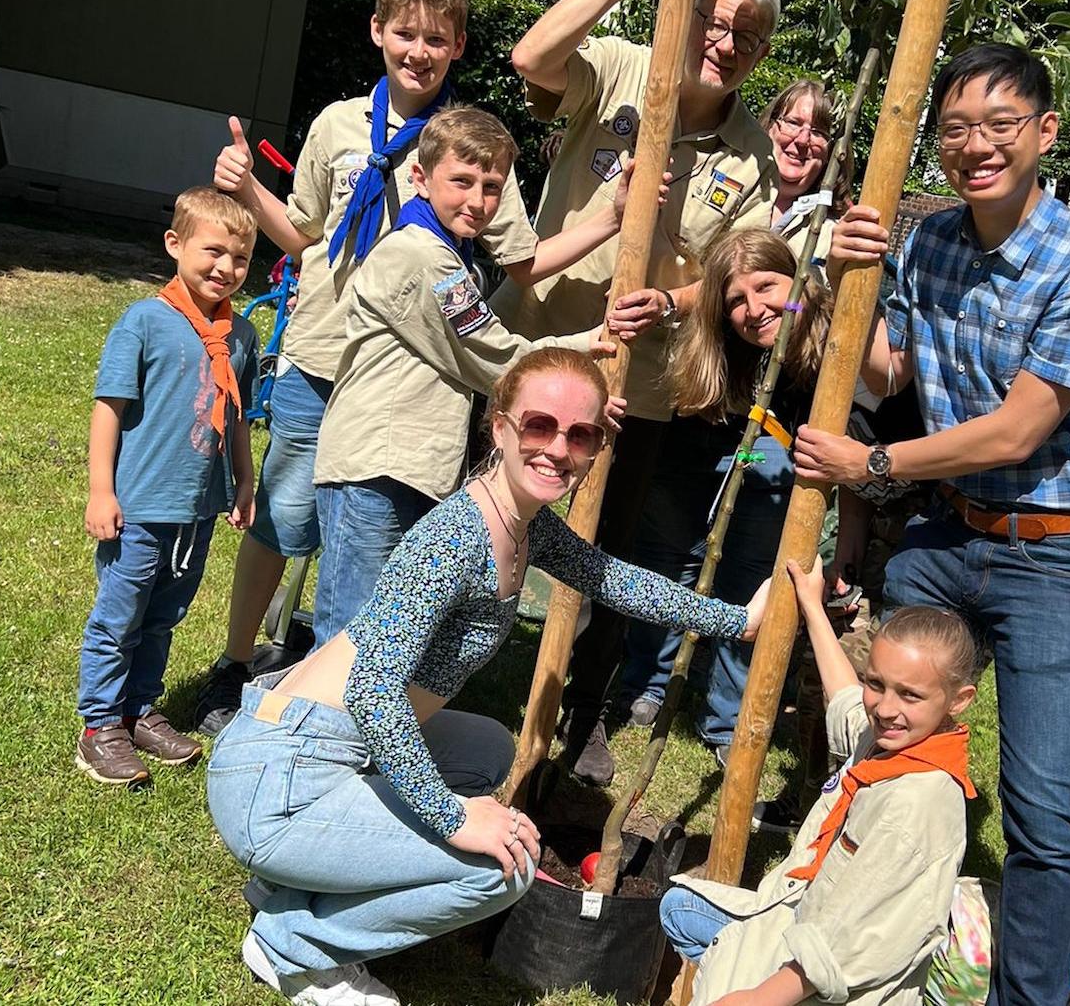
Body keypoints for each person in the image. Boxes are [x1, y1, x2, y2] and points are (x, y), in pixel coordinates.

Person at [207, 349, 770, 1006]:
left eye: (579, 434)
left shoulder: (522, 526)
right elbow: (372, 691)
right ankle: (293, 943)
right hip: (280, 782)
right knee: (503, 868)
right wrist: (451, 819)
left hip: (321, 748)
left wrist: (736, 619)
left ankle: (306, 881)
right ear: (499, 428)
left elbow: (615, 579)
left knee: (487, 753)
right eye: (540, 425)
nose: (558, 448)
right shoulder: (454, 542)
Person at [196, 0, 637, 735]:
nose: (419, 51)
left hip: (411, 373)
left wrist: (606, 220)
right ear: (378, 31)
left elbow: (522, 259)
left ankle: (339, 678)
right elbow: (302, 236)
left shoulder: (465, 150)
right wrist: (245, 189)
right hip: (322, 351)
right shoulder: (337, 124)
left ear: (459, 46)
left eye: (438, 39)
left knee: (367, 526)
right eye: (406, 34)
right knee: (286, 517)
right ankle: (239, 662)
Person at [791, 43, 1070, 1006]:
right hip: (951, 539)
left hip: (1058, 555)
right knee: (885, 739)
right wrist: (841, 284)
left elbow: (1023, 426)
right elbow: (884, 375)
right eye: (956, 130)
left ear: (1045, 134)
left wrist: (877, 466)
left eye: (999, 126)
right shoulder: (931, 241)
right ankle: (847, 934)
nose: (975, 146)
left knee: (1042, 814)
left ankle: (1026, 998)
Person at [495, 0, 780, 783]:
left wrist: (670, 296)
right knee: (486, 522)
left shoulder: (754, 156)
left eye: (747, 36)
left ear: (761, 55)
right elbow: (531, 58)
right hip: (539, 355)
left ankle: (583, 717)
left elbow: (741, 277)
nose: (725, 42)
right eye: (715, 19)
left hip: (641, 386)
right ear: (691, 14)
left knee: (605, 557)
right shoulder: (622, 67)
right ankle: (459, 676)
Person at [309, 106, 628, 645]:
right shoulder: (422, 259)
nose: (477, 201)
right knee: (350, 642)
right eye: (462, 182)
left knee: (390, 638)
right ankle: (305, 730)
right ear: (420, 177)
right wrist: (585, 347)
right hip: (379, 470)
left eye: (492, 187)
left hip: (409, 467)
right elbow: (494, 358)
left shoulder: (448, 255)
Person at [616, 228, 889, 763]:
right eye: (736, 300)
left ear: (799, 282)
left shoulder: (827, 340)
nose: (755, 308)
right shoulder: (717, 349)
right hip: (702, 450)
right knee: (672, 561)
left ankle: (724, 719)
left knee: (752, 582)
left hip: (778, 459)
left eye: (768, 287)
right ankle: (645, 684)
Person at [659, 557, 978, 1006]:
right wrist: (811, 604)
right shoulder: (892, 744)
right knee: (679, 909)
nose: (885, 708)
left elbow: (849, 937)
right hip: (801, 916)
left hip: (830, 979)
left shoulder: (916, 805)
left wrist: (756, 997)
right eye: (877, 683)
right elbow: (846, 701)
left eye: (909, 694)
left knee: (714, 954)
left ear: (959, 700)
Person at [76, 188, 259, 786]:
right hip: (140, 504)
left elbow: (235, 417)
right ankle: (99, 725)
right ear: (175, 245)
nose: (225, 268)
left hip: (198, 508)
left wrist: (243, 482)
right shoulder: (145, 322)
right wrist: (101, 491)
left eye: (239, 259)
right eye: (213, 252)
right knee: (120, 613)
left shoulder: (242, 338)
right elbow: (109, 410)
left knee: (164, 615)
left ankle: (138, 710)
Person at [763, 79, 852, 272]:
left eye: (818, 132)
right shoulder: (731, 191)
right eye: (793, 123)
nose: (803, 140)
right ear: (770, 127)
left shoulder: (837, 233)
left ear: (833, 153)